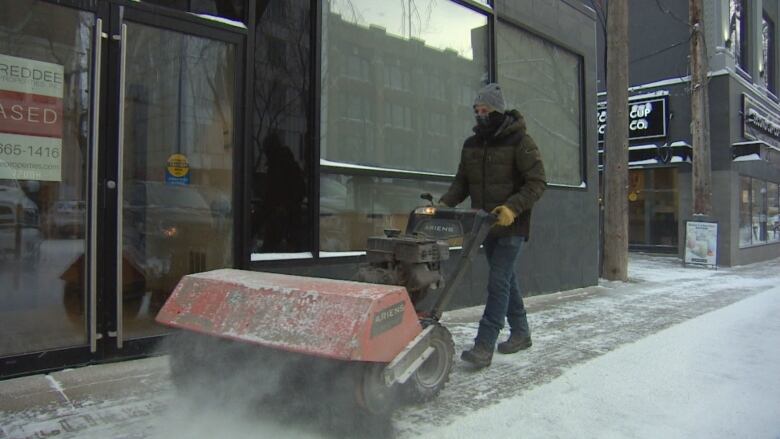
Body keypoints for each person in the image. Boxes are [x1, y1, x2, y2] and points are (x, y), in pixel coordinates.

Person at [439, 83, 547, 368]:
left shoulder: (520, 141)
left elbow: (537, 182)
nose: (480, 114)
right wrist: (443, 205)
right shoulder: (472, 144)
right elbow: (462, 182)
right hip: (484, 225)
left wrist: (512, 207)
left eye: (484, 109)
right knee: (506, 279)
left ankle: (484, 345)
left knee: (498, 282)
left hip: (511, 225)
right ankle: (522, 333)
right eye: (476, 110)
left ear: (497, 109)